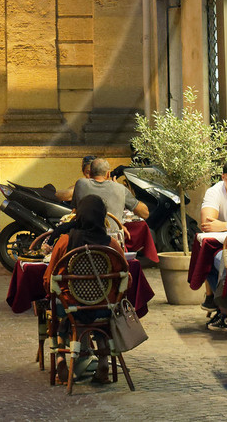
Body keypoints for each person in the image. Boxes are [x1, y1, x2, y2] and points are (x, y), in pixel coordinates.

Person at [45, 196, 116, 384]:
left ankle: (61, 358)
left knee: (62, 311)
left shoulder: (65, 242)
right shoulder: (111, 245)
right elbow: (126, 279)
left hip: (70, 307)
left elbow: (48, 278)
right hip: (102, 307)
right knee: (102, 312)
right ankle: (102, 360)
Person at [72, 158, 150, 221]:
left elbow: (76, 209)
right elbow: (145, 213)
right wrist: (117, 186)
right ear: (108, 174)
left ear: (90, 173)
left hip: (84, 236)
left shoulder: (80, 184)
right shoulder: (120, 189)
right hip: (113, 236)